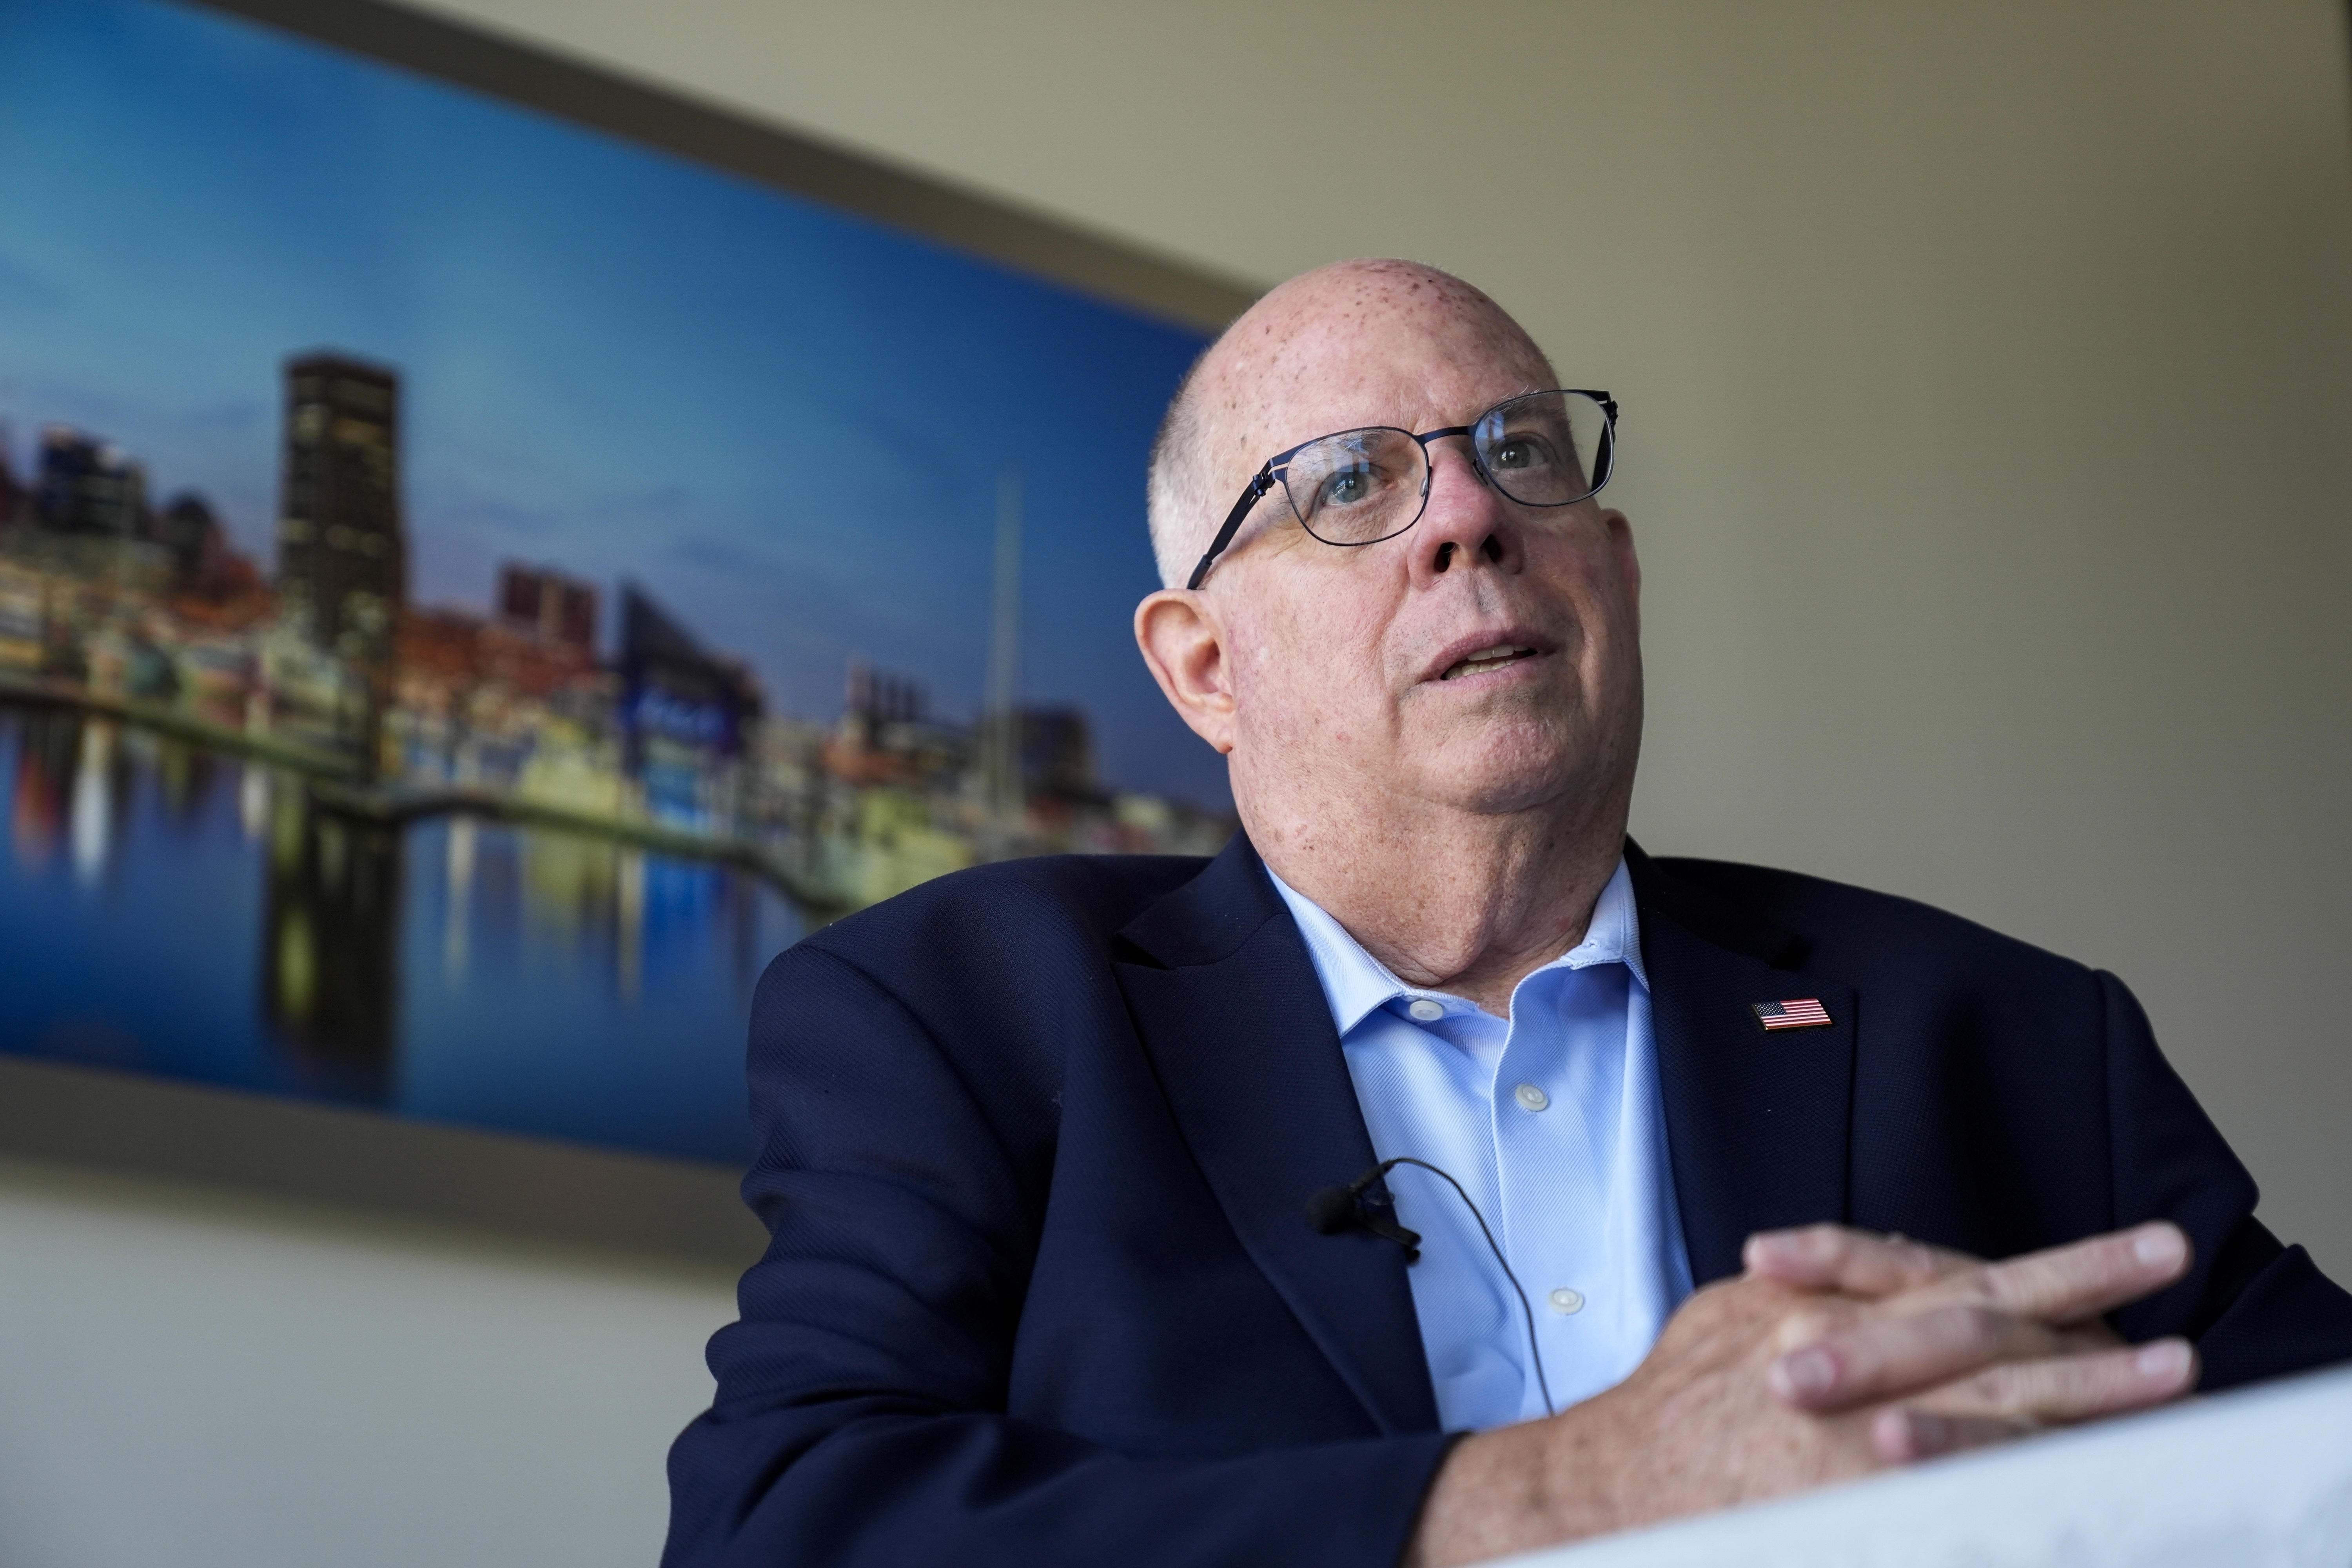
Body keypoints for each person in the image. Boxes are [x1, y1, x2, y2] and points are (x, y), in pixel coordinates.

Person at [662, 260, 2352, 1568]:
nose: (1468, 517)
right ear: (1203, 668)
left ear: (1612, 571)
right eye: (1349, 486)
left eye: (1518, 453)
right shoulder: (964, 1013)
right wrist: (1550, 1493)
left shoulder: (2009, 1039)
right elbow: (786, 1528)